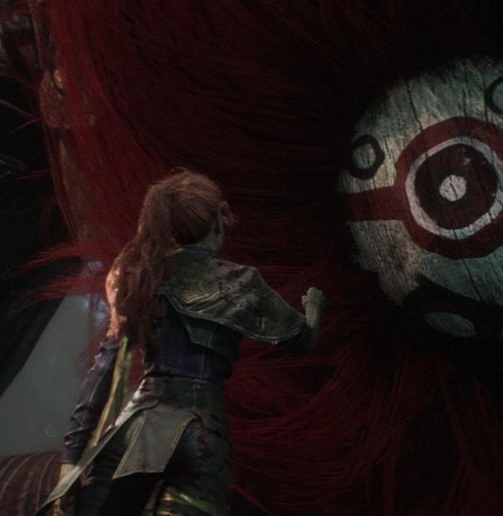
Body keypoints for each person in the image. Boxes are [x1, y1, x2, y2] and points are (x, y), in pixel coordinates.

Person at [37, 168, 327, 515]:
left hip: (142, 426)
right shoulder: (242, 280)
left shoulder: (141, 278)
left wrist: (71, 460)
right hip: (205, 434)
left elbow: (104, 369)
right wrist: (314, 305)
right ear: (216, 221)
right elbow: (303, 340)